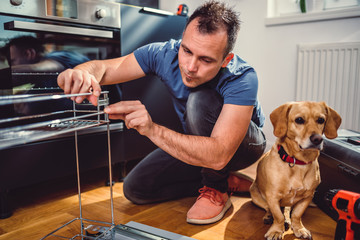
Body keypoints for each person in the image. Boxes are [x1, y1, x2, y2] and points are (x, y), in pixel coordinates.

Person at [57, 0, 266, 225]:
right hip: (199, 143)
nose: (190, 66)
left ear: (226, 60)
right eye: (187, 51)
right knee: (136, 188)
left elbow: (219, 154)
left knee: (199, 101)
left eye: (205, 59)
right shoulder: (164, 53)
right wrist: (79, 73)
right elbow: (105, 68)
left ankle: (216, 188)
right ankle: (226, 180)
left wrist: (151, 129)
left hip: (241, 147)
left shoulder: (242, 77)